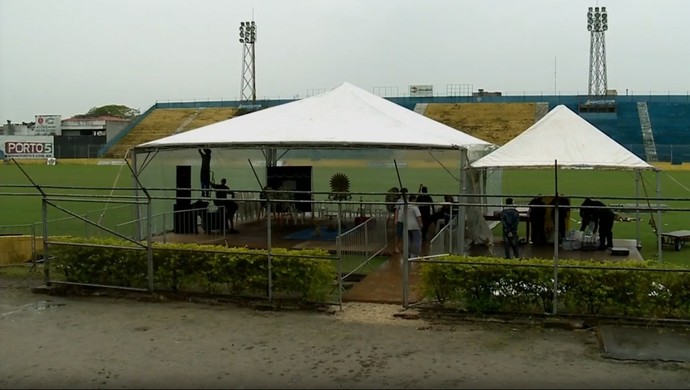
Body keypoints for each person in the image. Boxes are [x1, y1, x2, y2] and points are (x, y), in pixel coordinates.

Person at [392, 188, 408, 254]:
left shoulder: (407, 200)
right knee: (398, 234)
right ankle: (396, 247)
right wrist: (396, 219)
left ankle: (401, 246)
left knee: (404, 234)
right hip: (400, 219)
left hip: (406, 220)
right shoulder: (399, 201)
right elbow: (396, 210)